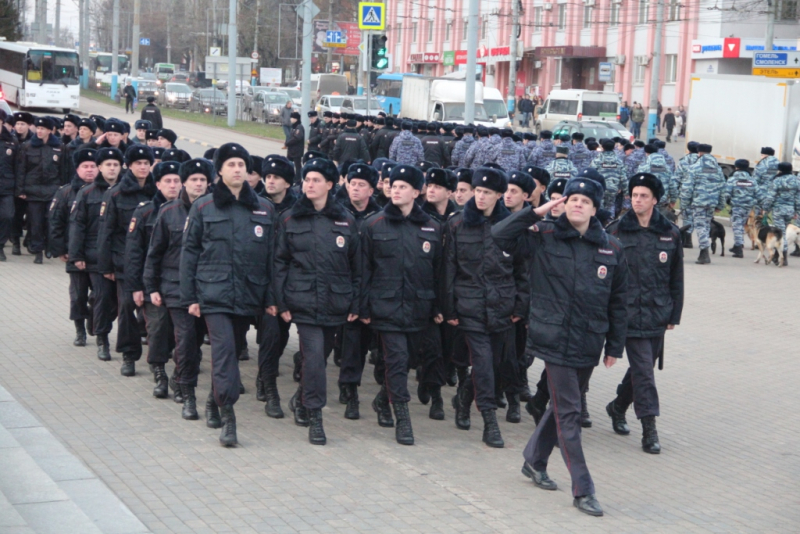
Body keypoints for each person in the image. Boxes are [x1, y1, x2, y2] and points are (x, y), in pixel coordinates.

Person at [492, 177, 628, 518]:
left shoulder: (611, 248)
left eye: (585, 200)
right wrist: (534, 212)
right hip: (552, 340)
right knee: (569, 412)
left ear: (595, 209)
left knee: (561, 406)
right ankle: (584, 490)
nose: (578, 204)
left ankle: (534, 460)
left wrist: (615, 345)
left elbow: (619, 301)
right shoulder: (544, 236)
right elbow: (499, 235)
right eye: (572, 198)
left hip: (589, 341)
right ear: (563, 204)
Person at [181, 143, 278, 446]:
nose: (237, 170)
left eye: (242, 164)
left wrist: (272, 298)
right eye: (231, 164)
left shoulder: (264, 207)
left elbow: (274, 258)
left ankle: (213, 398)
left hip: (249, 293)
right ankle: (229, 416)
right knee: (223, 352)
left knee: (233, 352)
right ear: (219, 170)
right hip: (213, 292)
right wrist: (191, 297)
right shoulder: (203, 206)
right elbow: (189, 253)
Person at [274, 157, 361, 446]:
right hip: (303, 301)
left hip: (335, 302)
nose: (309, 185)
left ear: (330, 185)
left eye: (315, 180)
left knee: (319, 358)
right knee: (313, 358)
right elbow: (279, 263)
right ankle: (316, 416)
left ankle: (300, 398)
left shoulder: (346, 221)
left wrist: (354, 303)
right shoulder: (289, 218)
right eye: (306, 180)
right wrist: (282, 301)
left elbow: (357, 267)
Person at [360, 164, 443, 444]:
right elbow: (364, 271)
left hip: (419, 308)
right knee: (395, 360)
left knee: (405, 361)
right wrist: (363, 307)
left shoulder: (432, 228)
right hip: (385, 307)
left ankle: (384, 399)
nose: (395, 190)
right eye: (393, 186)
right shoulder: (373, 224)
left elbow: (439, 272)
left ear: (416, 192)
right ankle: (403, 419)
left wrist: (439, 308)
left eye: (403, 186)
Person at [445, 167, 525, 449]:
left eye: (487, 192)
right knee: (481, 362)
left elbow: (522, 270)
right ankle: (490, 421)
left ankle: (464, 400)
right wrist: (450, 308)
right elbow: (449, 268)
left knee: (494, 364)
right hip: (469, 305)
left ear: (499, 195)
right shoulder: (457, 224)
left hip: (501, 307)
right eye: (477, 191)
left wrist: (520, 304)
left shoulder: (513, 226)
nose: (480, 196)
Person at [605, 173, 683, 454]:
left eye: (643, 196)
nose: (636, 200)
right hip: (625, 313)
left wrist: (674, 314)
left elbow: (676, 277)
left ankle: (617, 406)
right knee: (644, 373)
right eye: (634, 195)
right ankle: (649, 429)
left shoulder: (670, 233)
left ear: (655, 201)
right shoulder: (615, 231)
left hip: (656, 313)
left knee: (644, 369)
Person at [144, 158, 212, 420]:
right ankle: (185, 387)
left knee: (194, 340)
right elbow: (154, 253)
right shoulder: (168, 211)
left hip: (205, 287)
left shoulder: (213, 210)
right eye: (193, 179)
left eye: (202, 180)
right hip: (174, 286)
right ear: (185, 182)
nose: (198, 184)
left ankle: (180, 375)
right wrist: (151, 287)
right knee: (183, 338)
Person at [97, 145, 157, 375]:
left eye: (146, 163)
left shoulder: (156, 192)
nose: (143, 167)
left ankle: (158, 355)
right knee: (127, 309)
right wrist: (106, 266)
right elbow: (106, 233)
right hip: (125, 263)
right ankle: (129, 355)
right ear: (129, 166)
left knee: (153, 312)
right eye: (138, 163)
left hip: (153, 263)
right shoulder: (115, 194)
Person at [126, 161, 183, 398]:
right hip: (155, 283)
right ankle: (159, 372)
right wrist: (137, 287)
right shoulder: (145, 211)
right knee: (157, 329)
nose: (172, 185)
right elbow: (135, 253)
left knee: (183, 335)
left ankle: (181, 378)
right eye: (167, 181)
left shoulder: (193, 212)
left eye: (176, 180)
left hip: (182, 284)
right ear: (157, 184)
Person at [69, 148, 124, 361]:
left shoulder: (124, 192)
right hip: (92, 255)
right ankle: (102, 340)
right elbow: (77, 226)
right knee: (99, 296)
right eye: (107, 165)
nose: (112, 168)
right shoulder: (87, 193)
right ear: (100, 168)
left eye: (115, 165)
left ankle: (98, 323)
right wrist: (76, 255)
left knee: (114, 302)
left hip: (117, 255)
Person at [48, 148, 97, 346]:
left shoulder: (107, 193)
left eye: (93, 166)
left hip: (98, 253)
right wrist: (61, 249)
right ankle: (79, 330)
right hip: (74, 252)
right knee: (78, 295)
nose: (90, 170)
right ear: (77, 169)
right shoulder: (66, 192)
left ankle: (93, 320)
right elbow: (55, 222)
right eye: (85, 167)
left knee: (100, 296)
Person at [15, 116, 63, 264]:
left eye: (43, 128)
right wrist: (20, 190)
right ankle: (37, 251)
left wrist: (63, 191)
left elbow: (63, 170)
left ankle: (48, 245)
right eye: (38, 128)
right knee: (35, 222)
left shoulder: (60, 147)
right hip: (33, 191)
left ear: (50, 130)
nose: (39, 131)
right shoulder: (28, 146)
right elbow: (21, 170)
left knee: (50, 221)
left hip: (52, 191)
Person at [680, 144, 726, 265]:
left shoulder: (694, 168)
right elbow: (723, 188)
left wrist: (684, 204)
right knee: (705, 225)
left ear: (699, 152)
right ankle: (704, 251)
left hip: (699, 202)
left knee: (700, 227)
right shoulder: (718, 169)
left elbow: (687, 188)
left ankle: (704, 252)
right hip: (712, 203)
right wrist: (720, 205)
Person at [762, 162, 800, 266]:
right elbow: (798, 198)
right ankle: (783, 257)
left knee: (780, 234)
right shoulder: (796, 181)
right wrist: (797, 211)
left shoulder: (777, 180)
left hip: (778, 210)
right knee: (784, 232)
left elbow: (771, 196)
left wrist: (765, 208)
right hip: (790, 210)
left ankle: (780, 257)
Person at [724, 159, 759, 259]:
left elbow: (726, 194)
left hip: (736, 207)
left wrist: (726, 203)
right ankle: (736, 246)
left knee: (737, 227)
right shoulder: (752, 180)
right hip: (748, 207)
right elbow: (758, 194)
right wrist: (754, 203)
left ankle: (739, 249)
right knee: (741, 225)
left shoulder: (732, 179)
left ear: (736, 167)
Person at [0, 114, 18, 262]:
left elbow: (18, 167)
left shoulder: (11, 142)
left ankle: (0, 245)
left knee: (7, 215)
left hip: (6, 186)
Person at [286, 112, 305, 180]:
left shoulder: (299, 127)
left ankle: (298, 179)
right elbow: (290, 136)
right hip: (291, 150)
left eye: (292, 118)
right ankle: (290, 177)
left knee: (297, 166)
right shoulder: (293, 127)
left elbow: (297, 137)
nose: (291, 119)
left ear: (296, 119)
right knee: (288, 164)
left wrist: (288, 143)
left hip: (297, 150)